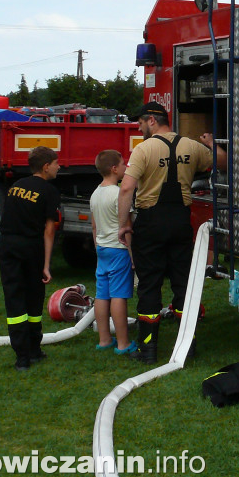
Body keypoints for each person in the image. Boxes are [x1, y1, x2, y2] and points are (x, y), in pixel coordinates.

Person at [117, 102, 225, 364]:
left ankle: (148, 349)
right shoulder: (190, 145)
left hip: (150, 222)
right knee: (182, 283)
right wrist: (211, 143)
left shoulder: (143, 149)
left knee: (150, 285)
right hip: (180, 221)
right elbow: (222, 160)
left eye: (141, 123)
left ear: (152, 120)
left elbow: (126, 189)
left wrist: (124, 225)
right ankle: (187, 346)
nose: (140, 128)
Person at [0, 146, 60, 371]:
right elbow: (49, 230)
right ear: (46, 167)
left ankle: (22, 357)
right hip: (31, 247)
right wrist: (46, 265)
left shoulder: (16, 186)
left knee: (14, 298)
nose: (59, 166)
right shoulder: (49, 190)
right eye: (56, 163)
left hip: (8, 246)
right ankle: (33, 350)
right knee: (34, 297)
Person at [90, 149, 136, 355]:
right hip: (119, 250)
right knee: (119, 295)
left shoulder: (95, 193)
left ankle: (104, 339)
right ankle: (123, 343)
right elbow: (126, 226)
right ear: (114, 169)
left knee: (102, 295)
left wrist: (98, 248)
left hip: (102, 249)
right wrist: (133, 256)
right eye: (123, 164)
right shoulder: (120, 194)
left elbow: (94, 227)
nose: (126, 168)